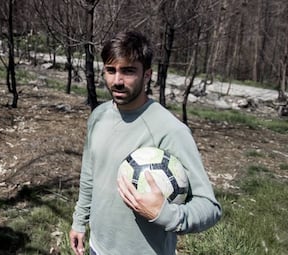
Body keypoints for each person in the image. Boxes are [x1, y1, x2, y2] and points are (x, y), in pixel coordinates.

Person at [69, 30, 221, 255]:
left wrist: (166, 215)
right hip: (97, 248)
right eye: (111, 71)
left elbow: (210, 207)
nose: (117, 81)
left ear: (147, 75)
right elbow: (90, 173)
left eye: (128, 71)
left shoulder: (171, 130)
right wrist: (79, 221)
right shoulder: (98, 116)